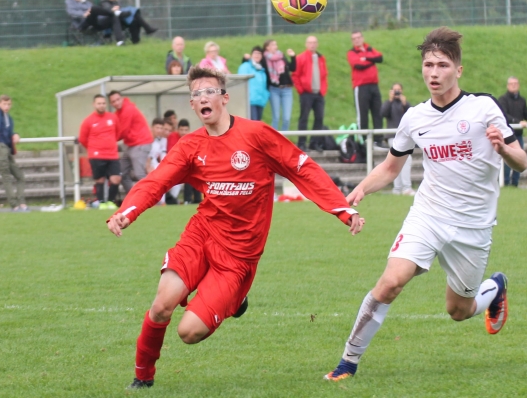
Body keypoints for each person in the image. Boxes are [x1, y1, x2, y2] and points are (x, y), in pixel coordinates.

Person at [106, 66, 364, 390]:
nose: (203, 97)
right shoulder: (190, 146)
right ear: (192, 104)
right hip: (201, 235)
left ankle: (233, 297)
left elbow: (302, 169)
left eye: (209, 91)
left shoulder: (256, 136)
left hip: (238, 256)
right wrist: (127, 212)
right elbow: (155, 182)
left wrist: (342, 209)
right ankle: (142, 378)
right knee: (161, 307)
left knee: (188, 332)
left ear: (224, 98)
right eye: (196, 94)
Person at [323, 27, 526, 382]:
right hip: (429, 215)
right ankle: (347, 363)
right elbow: (391, 168)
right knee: (390, 282)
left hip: (473, 225)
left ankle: (494, 288)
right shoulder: (415, 118)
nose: (434, 73)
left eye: (442, 65)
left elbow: (522, 161)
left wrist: (505, 150)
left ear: (458, 70)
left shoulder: (483, 108)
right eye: (428, 65)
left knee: (459, 310)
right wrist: (361, 189)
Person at [108, 90, 154, 196]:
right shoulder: (118, 112)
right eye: (113, 101)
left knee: (139, 174)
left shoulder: (127, 109)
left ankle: (151, 197)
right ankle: (134, 198)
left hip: (140, 143)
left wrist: (108, 140)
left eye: (118, 99)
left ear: (122, 98)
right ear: (111, 104)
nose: (116, 102)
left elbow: (123, 131)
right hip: (132, 145)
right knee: (121, 173)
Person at [78, 94, 122, 205]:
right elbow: (83, 139)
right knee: (100, 180)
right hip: (96, 155)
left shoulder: (112, 117)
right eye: (99, 103)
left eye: (103, 103)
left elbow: (118, 133)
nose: (101, 105)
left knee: (116, 178)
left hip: (112, 154)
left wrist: (110, 143)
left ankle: (111, 202)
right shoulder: (88, 121)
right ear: (94, 104)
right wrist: (93, 148)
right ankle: (101, 203)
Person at [347, 31, 384, 148]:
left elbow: (380, 58)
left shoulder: (369, 49)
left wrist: (366, 58)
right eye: (354, 38)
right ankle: (363, 141)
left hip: (374, 85)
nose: (357, 40)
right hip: (361, 87)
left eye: (358, 37)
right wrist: (372, 60)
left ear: (362, 38)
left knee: (378, 113)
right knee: (362, 115)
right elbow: (358, 65)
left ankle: (378, 140)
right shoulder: (352, 52)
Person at [497, 77, 527, 187]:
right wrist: (517, 121)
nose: (513, 85)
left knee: (519, 158)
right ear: (508, 85)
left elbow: (526, 114)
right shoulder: (503, 99)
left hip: (518, 135)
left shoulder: (522, 100)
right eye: (511, 83)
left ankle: (515, 183)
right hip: (507, 136)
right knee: (508, 159)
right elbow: (504, 115)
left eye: (515, 83)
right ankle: (505, 182)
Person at [294, 35, 328, 151]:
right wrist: (301, 90)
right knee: (304, 118)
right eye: (310, 42)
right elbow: (295, 75)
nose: (312, 45)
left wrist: (323, 90)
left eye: (314, 42)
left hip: (318, 93)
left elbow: (324, 75)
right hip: (306, 93)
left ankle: (315, 142)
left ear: (317, 44)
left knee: (319, 118)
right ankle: (301, 143)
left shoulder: (320, 58)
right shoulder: (301, 58)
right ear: (306, 44)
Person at [380, 83, 413, 195]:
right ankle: (402, 188)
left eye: (399, 90)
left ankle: (401, 188)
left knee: (402, 160)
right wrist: (390, 100)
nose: (397, 92)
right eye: (395, 90)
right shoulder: (388, 103)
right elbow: (383, 113)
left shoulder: (404, 104)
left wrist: (405, 103)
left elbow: (412, 115)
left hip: (405, 136)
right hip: (392, 136)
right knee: (401, 160)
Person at [263, 40, 296, 131]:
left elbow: (292, 68)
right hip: (274, 90)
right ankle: (274, 138)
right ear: (267, 47)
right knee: (276, 117)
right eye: (273, 44)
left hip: (287, 89)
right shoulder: (265, 58)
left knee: (286, 118)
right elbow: (256, 62)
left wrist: (293, 57)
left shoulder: (281, 56)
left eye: (276, 44)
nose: (276, 46)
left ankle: (283, 137)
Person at [238, 46, 269, 121]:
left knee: (258, 123)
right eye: (255, 53)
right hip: (250, 100)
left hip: (260, 101)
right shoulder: (245, 66)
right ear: (251, 55)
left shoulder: (262, 69)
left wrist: (265, 96)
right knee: (253, 123)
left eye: (259, 54)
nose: (257, 55)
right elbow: (241, 82)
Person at [177, 119, 203, 205]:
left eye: (186, 130)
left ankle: (196, 199)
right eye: (181, 130)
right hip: (177, 168)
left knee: (194, 172)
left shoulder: (193, 140)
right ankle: (187, 200)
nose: (183, 132)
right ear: (178, 130)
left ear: (189, 130)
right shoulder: (174, 140)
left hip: (188, 167)